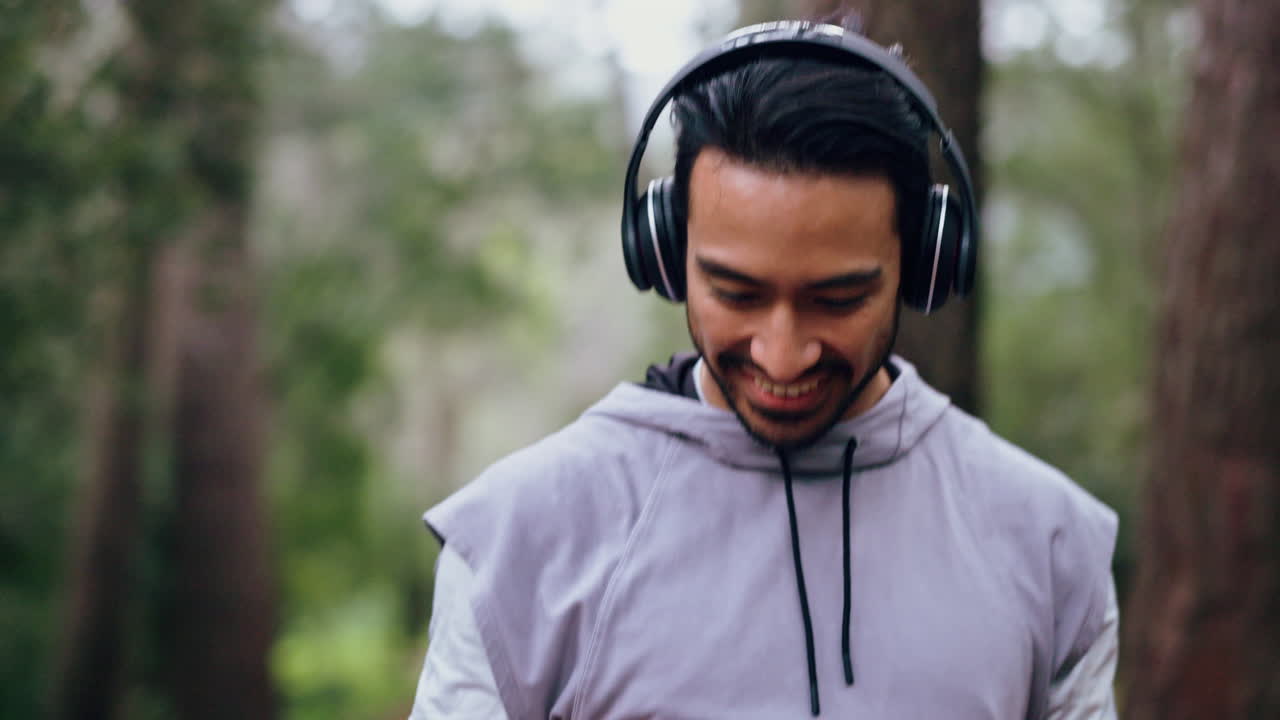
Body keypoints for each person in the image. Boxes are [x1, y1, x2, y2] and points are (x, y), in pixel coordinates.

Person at [410, 16, 1118, 720]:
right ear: (666, 253)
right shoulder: (518, 545)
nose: (783, 355)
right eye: (736, 294)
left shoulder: (1049, 544)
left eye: (837, 299)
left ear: (925, 263)